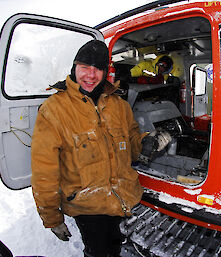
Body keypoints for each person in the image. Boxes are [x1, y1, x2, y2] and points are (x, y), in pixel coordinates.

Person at [31, 40, 171, 257]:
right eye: (85, 67)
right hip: (89, 207)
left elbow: (131, 144)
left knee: (115, 248)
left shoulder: (119, 106)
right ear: (74, 68)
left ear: (105, 72)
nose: (91, 75)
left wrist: (146, 142)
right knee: (98, 252)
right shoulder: (53, 110)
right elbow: (44, 171)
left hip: (124, 198)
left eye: (98, 69)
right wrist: (51, 217)